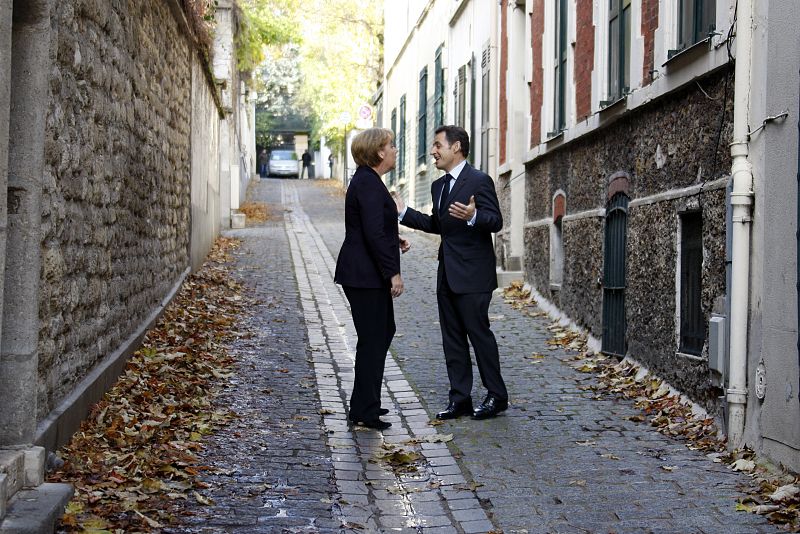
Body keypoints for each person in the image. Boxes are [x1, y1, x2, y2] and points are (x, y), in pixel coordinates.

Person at [392, 125, 508, 420]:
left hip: (474, 274)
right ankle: (461, 398)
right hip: (447, 273)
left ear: (456, 147)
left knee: (479, 335)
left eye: (437, 145)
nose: (433, 151)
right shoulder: (438, 186)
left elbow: (495, 221)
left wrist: (474, 217)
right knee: (452, 338)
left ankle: (497, 395)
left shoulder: (479, 181)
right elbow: (437, 225)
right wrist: (404, 212)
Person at [334, 128, 410, 430]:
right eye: (391, 145)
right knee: (373, 339)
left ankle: (367, 403)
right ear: (379, 151)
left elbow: (378, 227)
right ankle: (364, 409)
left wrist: (396, 237)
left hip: (366, 272)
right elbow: (372, 233)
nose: (394, 150)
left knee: (380, 333)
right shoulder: (367, 182)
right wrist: (393, 272)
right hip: (365, 274)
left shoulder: (369, 181)